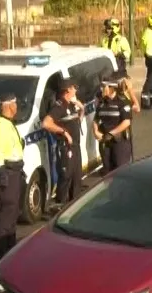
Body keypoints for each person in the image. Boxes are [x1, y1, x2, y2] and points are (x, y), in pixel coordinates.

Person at [0, 93, 26, 260]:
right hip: (8, 173)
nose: (17, 107)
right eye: (15, 104)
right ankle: (1, 254)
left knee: (13, 212)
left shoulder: (7, 123)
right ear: (10, 106)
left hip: (14, 172)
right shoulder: (0, 126)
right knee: (7, 214)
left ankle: (10, 249)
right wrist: (2, 175)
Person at [40, 76, 85, 211]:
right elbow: (46, 123)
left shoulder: (71, 105)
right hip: (66, 148)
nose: (75, 91)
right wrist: (64, 133)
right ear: (67, 91)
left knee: (77, 179)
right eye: (73, 89)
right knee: (66, 177)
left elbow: (78, 121)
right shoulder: (59, 106)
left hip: (76, 147)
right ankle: (60, 207)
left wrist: (81, 108)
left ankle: (74, 208)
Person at [94, 72, 135, 171]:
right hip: (105, 142)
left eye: (104, 87)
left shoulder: (122, 101)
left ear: (111, 88)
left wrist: (111, 133)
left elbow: (126, 122)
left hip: (119, 142)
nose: (102, 89)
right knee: (107, 170)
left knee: (121, 170)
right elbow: (96, 118)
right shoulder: (102, 102)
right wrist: (95, 131)